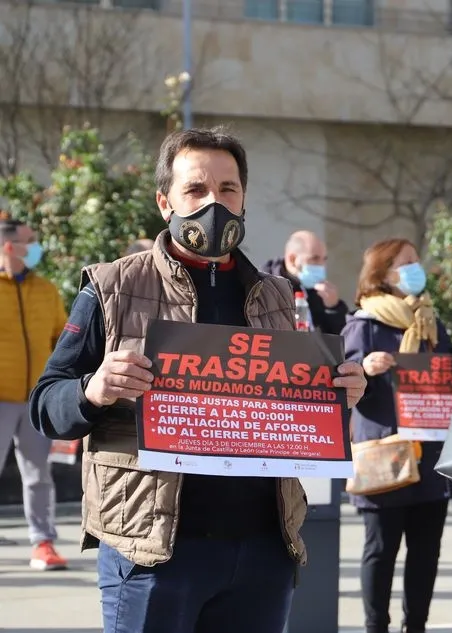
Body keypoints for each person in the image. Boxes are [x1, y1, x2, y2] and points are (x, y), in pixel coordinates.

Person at [28, 127, 367, 633]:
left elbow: (291, 405)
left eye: (228, 189)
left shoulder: (279, 296)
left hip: (262, 552)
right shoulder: (112, 286)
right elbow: (45, 405)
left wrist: (339, 393)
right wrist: (93, 389)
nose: (214, 203)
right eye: (196, 189)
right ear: (165, 202)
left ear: (244, 199)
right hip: (153, 552)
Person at [341, 238, 452, 633]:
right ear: (383, 273)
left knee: (426, 552)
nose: (415, 269)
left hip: (429, 455)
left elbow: (450, 372)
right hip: (385, 455)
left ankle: (416, 626)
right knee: (380, 550)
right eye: (406, 262)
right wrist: (365, 367)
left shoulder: (429, 320)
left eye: (416, 261)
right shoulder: (363, 324)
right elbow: (341, 381)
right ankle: (376, 626)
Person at [0, 214, 68, 570]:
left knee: (39, 475)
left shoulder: (46, 290)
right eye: (30, 241)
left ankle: (43, 543)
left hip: (35, 400)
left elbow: (62, 340)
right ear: (9, 246)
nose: (37, 247)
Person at [261, 230, 348, 335]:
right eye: (314, 259)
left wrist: (333, 309)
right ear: (292, 259)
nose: (322, 265)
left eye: (324, 259)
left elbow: (339, 338)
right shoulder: (264, 288)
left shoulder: (318, 292)